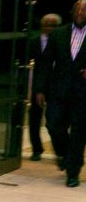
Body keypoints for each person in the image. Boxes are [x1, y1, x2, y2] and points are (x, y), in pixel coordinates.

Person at [36, 0, 86, 187]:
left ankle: (72, 173)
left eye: (84, 11)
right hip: (59, 91)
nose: (81, 13)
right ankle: (65, 155)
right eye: (78, 10)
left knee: (78, 133)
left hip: (83, 94)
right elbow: (45, 64)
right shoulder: (58, 34)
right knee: (53, 124)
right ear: (72, 12)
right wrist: (40, 89)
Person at [28, 13, 62, 161]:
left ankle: (60, 151)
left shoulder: (62, 41)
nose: (49, 28)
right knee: (34, 118)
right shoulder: (33, 41)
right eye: (47, 24)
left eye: (53, 25)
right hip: (37, 84)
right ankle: (36, 149)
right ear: (42, 26)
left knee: (55, 120)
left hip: (56, 85)